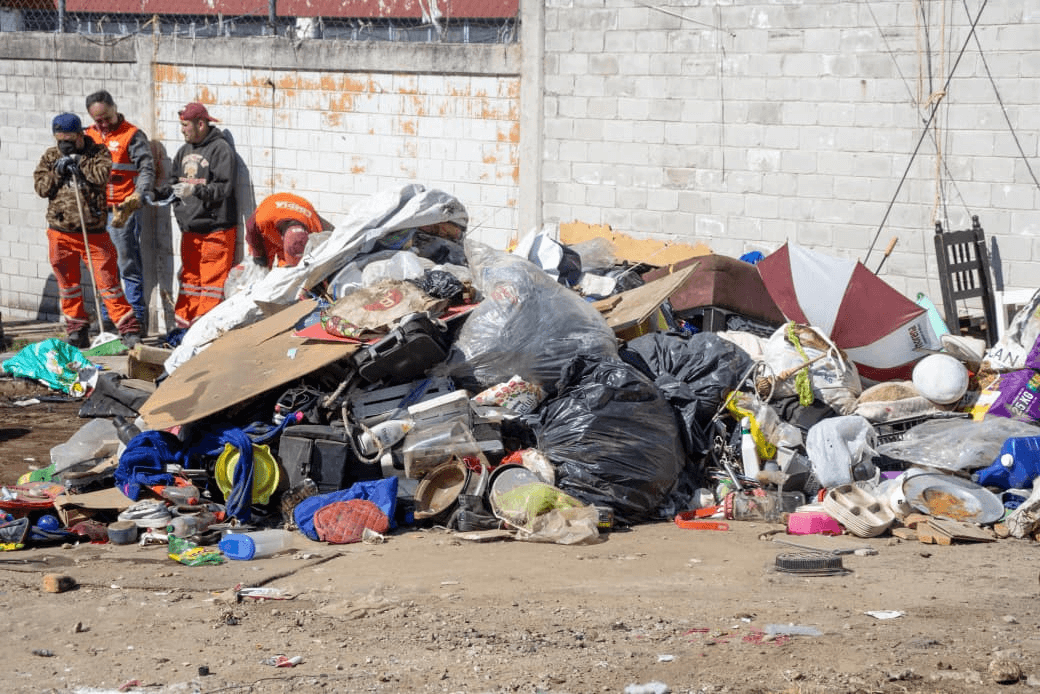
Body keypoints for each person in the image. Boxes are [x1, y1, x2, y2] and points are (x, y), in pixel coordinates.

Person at [33, 113, 142, 349]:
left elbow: (103, 175)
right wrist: (58, 172)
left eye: (69, 139)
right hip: (60, 231)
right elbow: (41, 188)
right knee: (68, 285)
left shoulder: (98, 152)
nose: (64, 144)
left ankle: (128, 329)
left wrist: (79, 164)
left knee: (108, 283)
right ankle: (76, 329)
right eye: (60, 139)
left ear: (80, 135)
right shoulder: (52, 156)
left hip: (92, 232)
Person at [84, 90, 156, 336]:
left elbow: (146, 169)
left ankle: (136, 319)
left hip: (121, 212)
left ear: (115, 108)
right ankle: (109, 320)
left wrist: (138, 195)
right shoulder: (88, 135)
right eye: (98, 120)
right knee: (104, 268)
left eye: (106, 117)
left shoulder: (131, 135)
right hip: (95, 212)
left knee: (127, 265)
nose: (103, 123)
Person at [162, 102, 238, 332]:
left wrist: (195, 191)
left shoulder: (220, 149)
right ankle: (184, 329)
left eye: (185, 125)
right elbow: (173, 182)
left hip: (215, 229)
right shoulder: (184, 151)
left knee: (212, 285)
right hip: (190, 229)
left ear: (201, 124)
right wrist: (156, 194)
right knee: (190, 282)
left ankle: (204, 333)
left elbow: (223, 188)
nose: (182, 130)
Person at [245, 192, 332, 268]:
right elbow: (250, 226)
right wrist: (258, 255)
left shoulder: (315, 227)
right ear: (281, 238)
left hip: (296, 216)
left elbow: (335, 235)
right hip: (271, 224)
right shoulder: (262, 219)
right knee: (262, 265)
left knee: (290, 271)